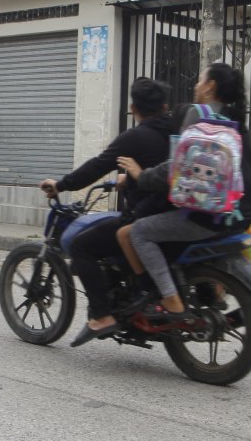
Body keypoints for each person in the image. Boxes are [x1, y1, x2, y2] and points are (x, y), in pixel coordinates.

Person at [115, 62, 251, 320]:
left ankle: (170, 299)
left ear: (210, 86)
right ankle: (209, 290)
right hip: (241, 215)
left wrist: (140, 175)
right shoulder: (236, 119)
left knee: (139, 232)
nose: (195, 84)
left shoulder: (197, 115)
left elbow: (179, 166)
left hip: (209, 214)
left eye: (200, 79)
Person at [39, 77, 174, 347]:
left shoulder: (135, 137)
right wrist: (129, 180)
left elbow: (97, 166)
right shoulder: (177, 132)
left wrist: (61, 185)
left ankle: (101, 316)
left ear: (133, 108)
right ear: (165, 106)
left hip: (144, 217)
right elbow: (163, 168)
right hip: (175, 214)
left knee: (82, 246)